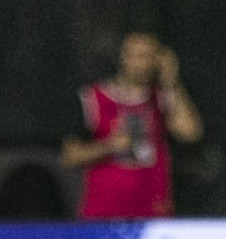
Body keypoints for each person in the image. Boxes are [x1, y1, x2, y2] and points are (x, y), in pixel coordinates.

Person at [61, 33, 204, 219]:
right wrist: (109, 146)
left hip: (153, 213)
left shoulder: (162, 96)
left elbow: (190, 133)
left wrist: (171, 82)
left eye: (148, 56)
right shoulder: (92, 98)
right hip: (102, 212)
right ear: (122, 57)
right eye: (136, 55)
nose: (141, 63)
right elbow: (71, 155)